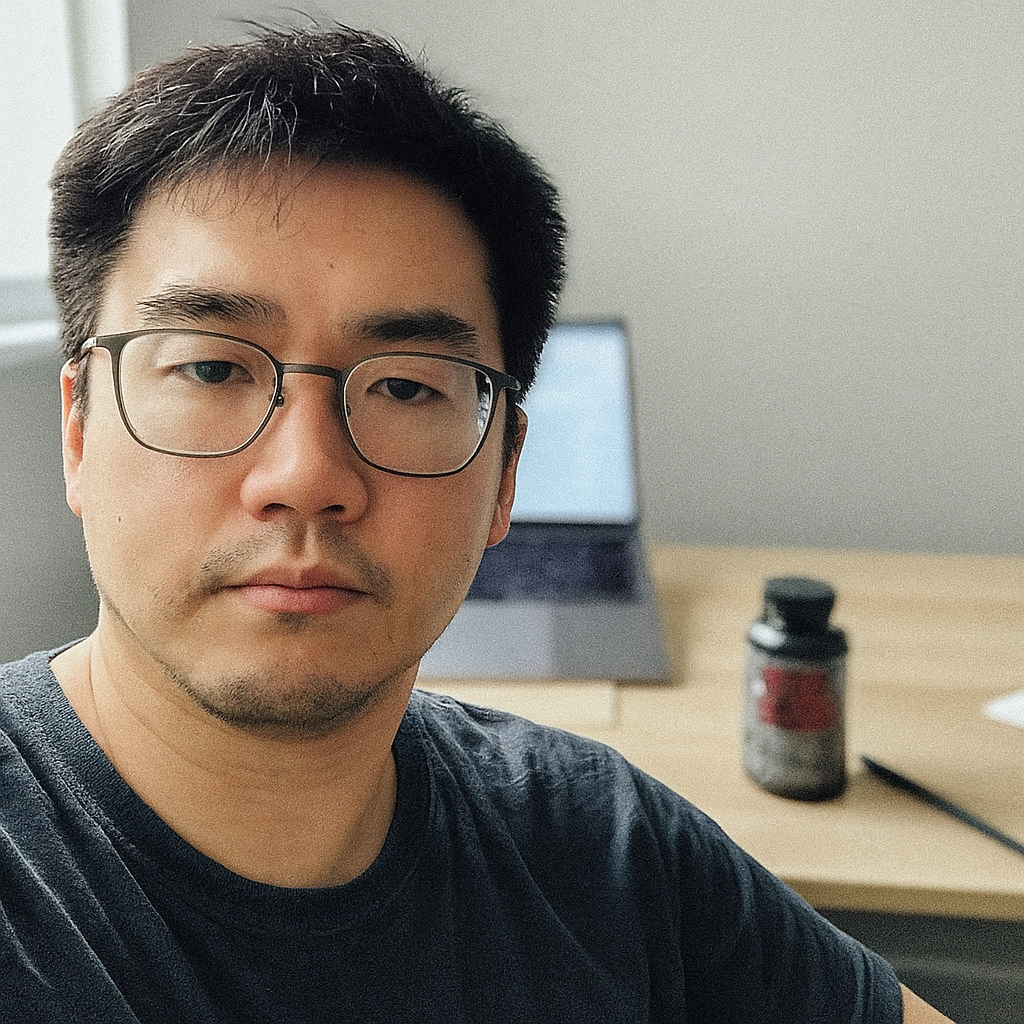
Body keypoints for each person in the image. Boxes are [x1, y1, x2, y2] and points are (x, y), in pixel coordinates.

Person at [0, 24, 953, 1023]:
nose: (307, 474)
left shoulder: (608, 854)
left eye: (408, 386)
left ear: (505, 475)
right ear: (77, 429)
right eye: (209, 367)